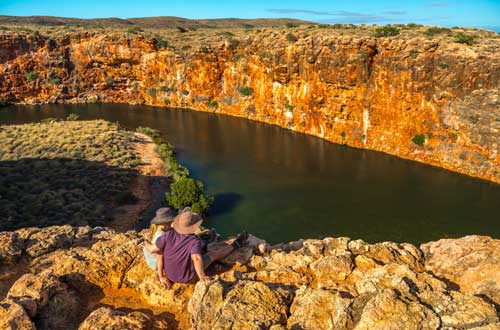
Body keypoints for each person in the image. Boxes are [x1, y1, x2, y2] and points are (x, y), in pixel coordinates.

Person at [144, 211, 247, 288]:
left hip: (170, 275)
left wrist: (145, 242)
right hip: (188, 277)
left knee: (161, 253)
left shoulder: (168, 235)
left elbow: (155, 251)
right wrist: (202, 276)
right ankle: (235, 246)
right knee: (212, 254)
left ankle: (224, 245)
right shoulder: (194, 241)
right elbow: (196, 258)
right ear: (193, 227)